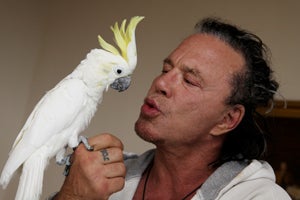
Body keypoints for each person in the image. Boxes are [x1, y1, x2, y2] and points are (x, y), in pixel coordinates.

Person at [51, 17, 291, 200]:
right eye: (166, 70)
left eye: (190, 81)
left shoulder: (259, 197)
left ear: (227, 119)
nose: (161, 83)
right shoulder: (105, 181)